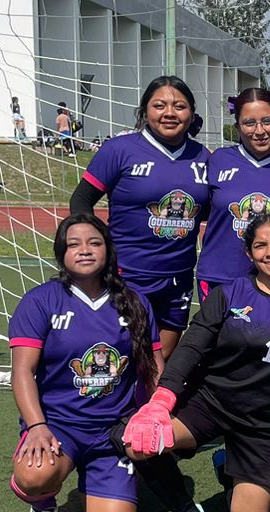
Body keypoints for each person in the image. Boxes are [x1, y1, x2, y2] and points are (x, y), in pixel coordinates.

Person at [119, 212, 270, 512]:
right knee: (139, 443)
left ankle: (229, 466)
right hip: (211, 401)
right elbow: (190, 347)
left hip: (264, 421)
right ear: (249, 254)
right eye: (260, 245)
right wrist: (161, 401)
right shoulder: (228, 294)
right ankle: (188, 511)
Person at [8, 213, 160, 512]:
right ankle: (44, 504)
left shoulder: (134, 302)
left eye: (94, 242)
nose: (85, 250)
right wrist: (36, 426)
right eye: (74, 244)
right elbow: (22, 372)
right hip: (59, 426)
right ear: (61, 253)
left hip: (112, 430)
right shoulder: (40, 301)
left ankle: (96, 477)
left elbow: (154, 368)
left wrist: (156, 415)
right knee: (36, 475)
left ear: (108, 249)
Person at [69, 76, 211, 361]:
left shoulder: (203, 157)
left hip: (177, 277)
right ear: (145, 110)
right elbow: (81, 199)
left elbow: (209, 212)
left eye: (179, 106)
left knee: (162, 359)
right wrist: (95, 247)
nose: (169, 113)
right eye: (159, 105)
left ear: (192, 113)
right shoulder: (119, 150)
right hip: (126, 275)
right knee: (121, 355)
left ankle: (152, 407)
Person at [197, 87, 270, 298]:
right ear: (237, 126)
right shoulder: (217, 160)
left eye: (267, 121)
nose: (259, 131)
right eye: (249, 123)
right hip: (220, 277)